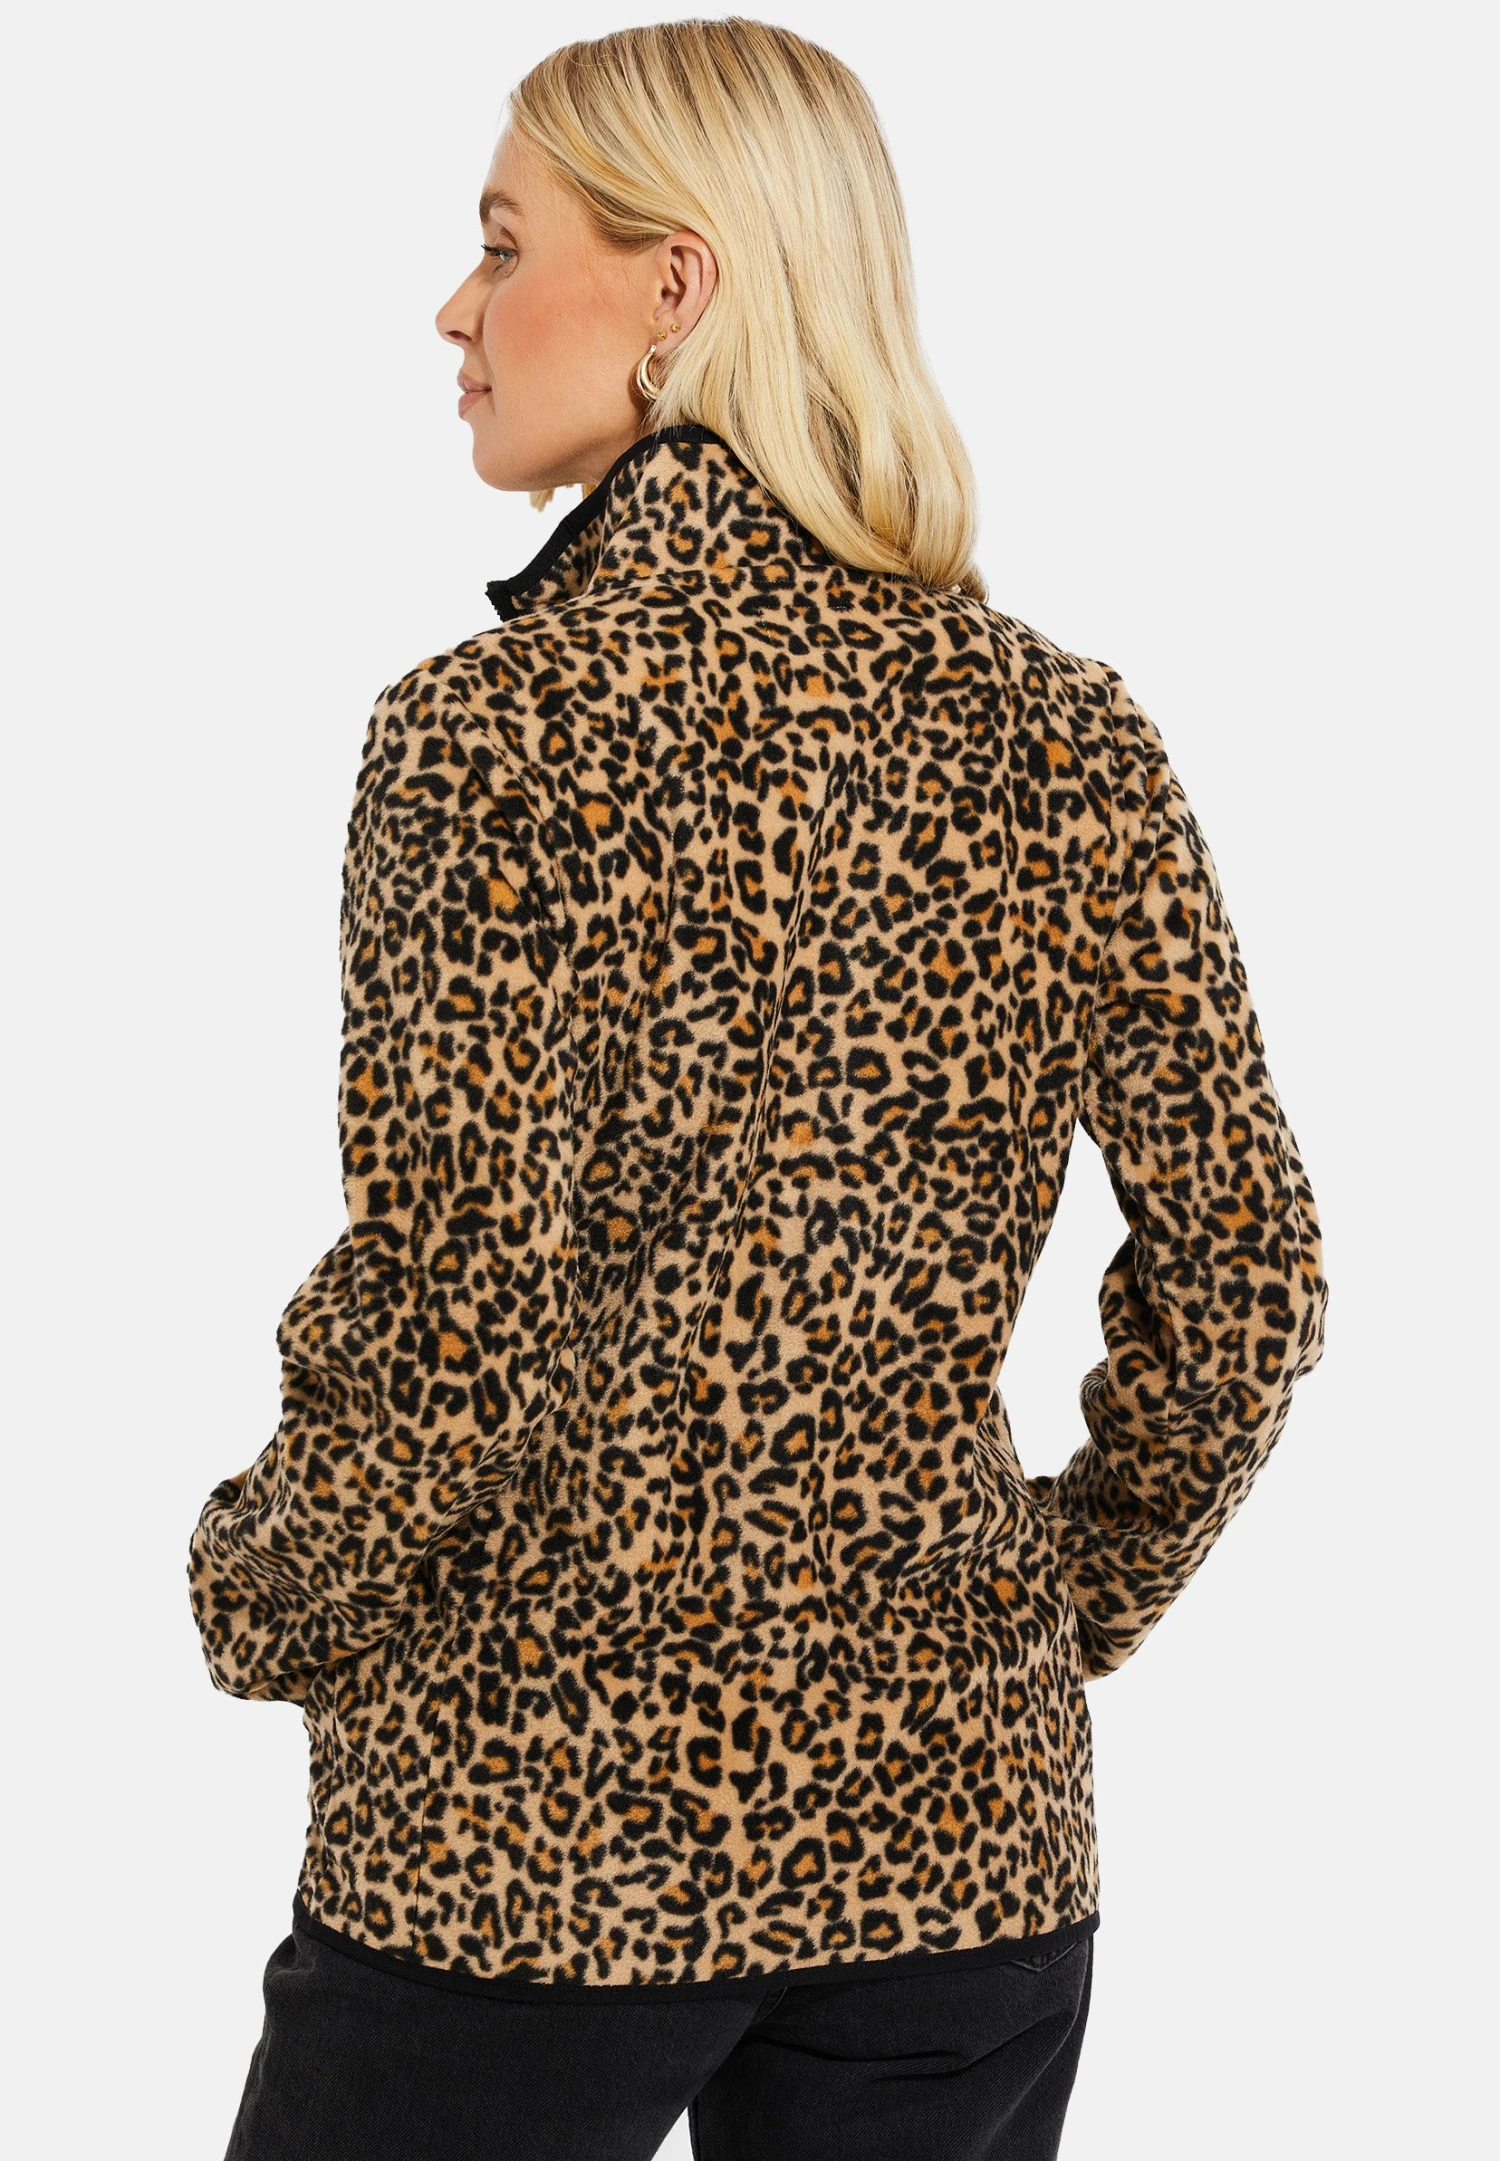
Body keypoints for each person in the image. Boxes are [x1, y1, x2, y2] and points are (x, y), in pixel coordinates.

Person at [189, 20, 1329, 2160]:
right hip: (959, 1849)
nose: (454, 309)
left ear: (679, 285)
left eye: (502, 243)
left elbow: (459, 1312)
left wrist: (261, 1588)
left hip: (526, 1845)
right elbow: (1251, 1276)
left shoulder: (491, 737)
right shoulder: (1064, 737)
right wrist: (1036, 1605)